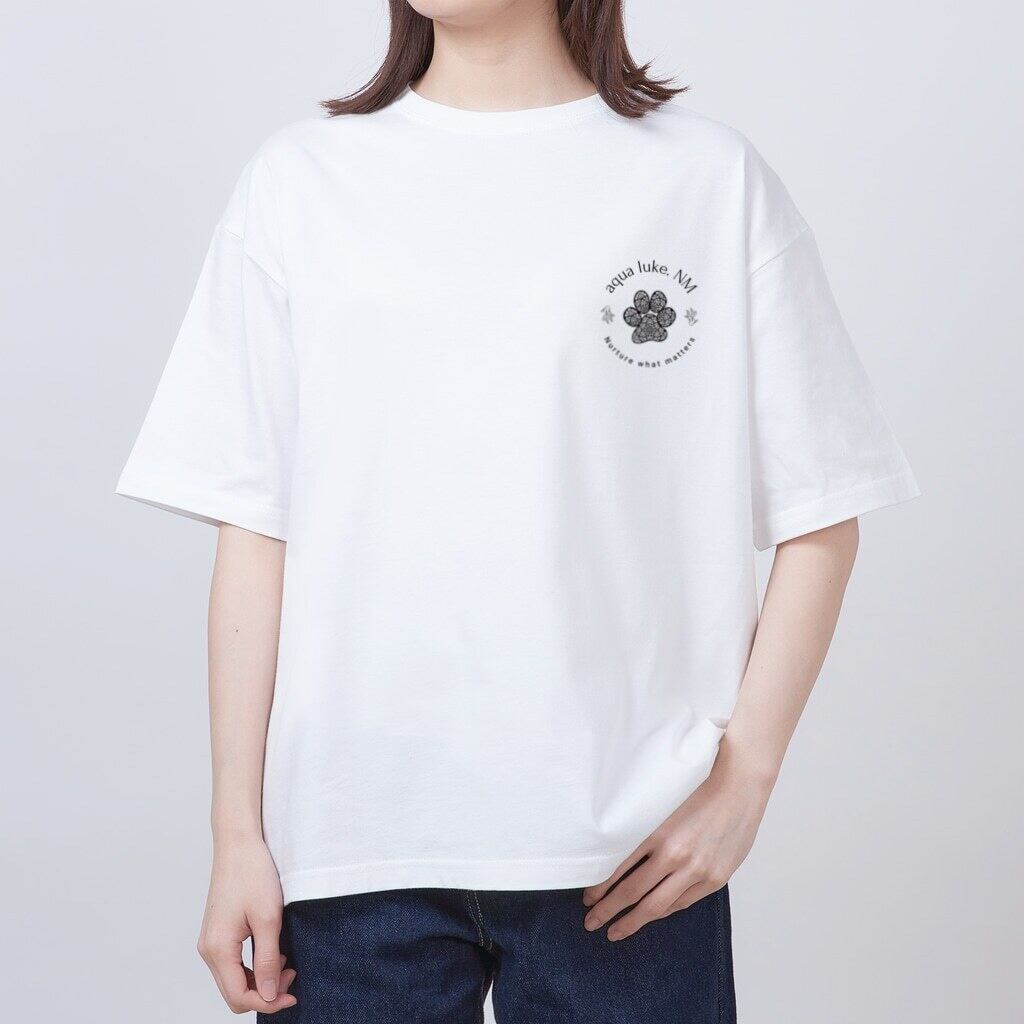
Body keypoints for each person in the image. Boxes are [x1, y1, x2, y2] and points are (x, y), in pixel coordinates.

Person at [117, 1, 919, 1020]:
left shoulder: (707, 182)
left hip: (630, 849)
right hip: (356, 845)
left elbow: (825, 508)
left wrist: (744, 782)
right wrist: (237, 832)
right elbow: (254, 525)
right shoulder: (299, 183)